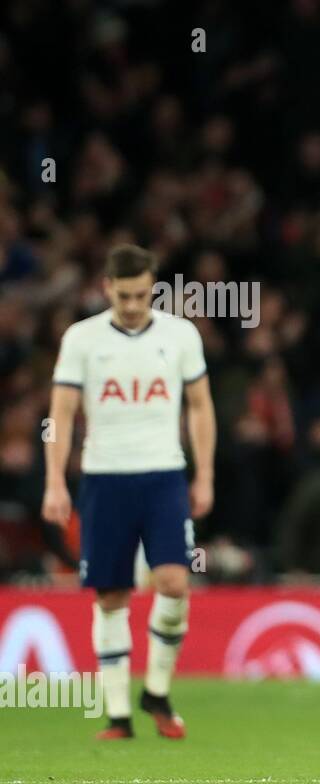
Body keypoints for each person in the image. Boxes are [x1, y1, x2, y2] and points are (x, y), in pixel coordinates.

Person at [41, 244, 215, 739]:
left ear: (153, 288)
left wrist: (204, 475)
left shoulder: (180, 336)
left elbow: (200, 407)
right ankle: (119, 714)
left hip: (163, 476)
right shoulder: (82, 339)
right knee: (111, 594)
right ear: (107, 289)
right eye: (124, 295)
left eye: (141, 294)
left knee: (174, 583)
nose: (134, 304)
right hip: (105, 479)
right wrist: (55, 481)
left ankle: (156, 690)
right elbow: (61, 415)